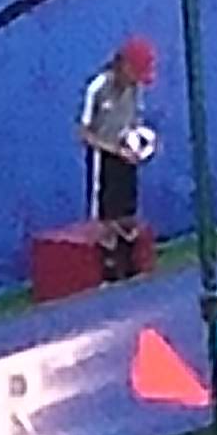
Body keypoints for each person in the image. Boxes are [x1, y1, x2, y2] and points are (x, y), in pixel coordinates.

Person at [77, 36, 161, 285]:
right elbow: (83, 132)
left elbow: (134, 121)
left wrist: (142, 144)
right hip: (103, 157)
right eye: (136, 73)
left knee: (128, 211)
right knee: (106, 215)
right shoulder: (98, 87)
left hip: (127, 153)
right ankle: (108, 268)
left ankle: (130, 262)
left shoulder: (136, 89)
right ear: (124, 66)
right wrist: (113, 149)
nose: (137, 80)